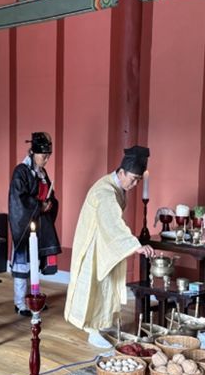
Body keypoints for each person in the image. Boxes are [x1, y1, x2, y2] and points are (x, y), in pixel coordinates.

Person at [64, 145, 156, 348]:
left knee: (107, 284)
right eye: (133, 179)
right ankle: (92, 330)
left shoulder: (115, 186)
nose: (135, 184)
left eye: (138, 180)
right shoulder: (105, 191)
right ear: (121, 172)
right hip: (94, 243)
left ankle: (102, 323)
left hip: (104, 241)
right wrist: (135, 246)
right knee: (96, 284)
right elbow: (112, 222)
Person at [8, 132, 61, 317]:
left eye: (48, 156)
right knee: (23, 266)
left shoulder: (42, 173)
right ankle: (20, 303)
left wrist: (50, 203)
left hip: (39, 224)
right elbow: (18, 200)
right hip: (24, 225)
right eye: (43, 156)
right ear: (32, 152)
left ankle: (34, 299)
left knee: (35, 264)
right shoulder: (21, 171)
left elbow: (49, 195)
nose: (46, 160)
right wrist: (39, 205)